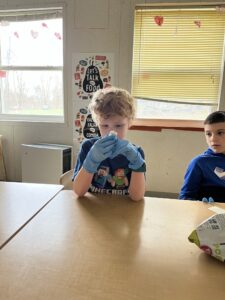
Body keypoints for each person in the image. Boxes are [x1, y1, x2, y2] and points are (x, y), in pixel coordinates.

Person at [72, 86, 146, 201]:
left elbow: (137, 197)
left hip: (124, 213)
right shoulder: (88, 148)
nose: (112, 132)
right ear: (97, 123)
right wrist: (91, 160)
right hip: (94, 211)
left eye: (119, 126)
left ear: (129, 123)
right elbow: (79, 192)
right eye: (105, 126)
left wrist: (137, 162)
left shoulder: (136, 153)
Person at [179, 110, 225, 203]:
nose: (213, 138)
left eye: (220, 133)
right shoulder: (199, 163)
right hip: (210, 213)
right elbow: (185, 198)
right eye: (208, 134)